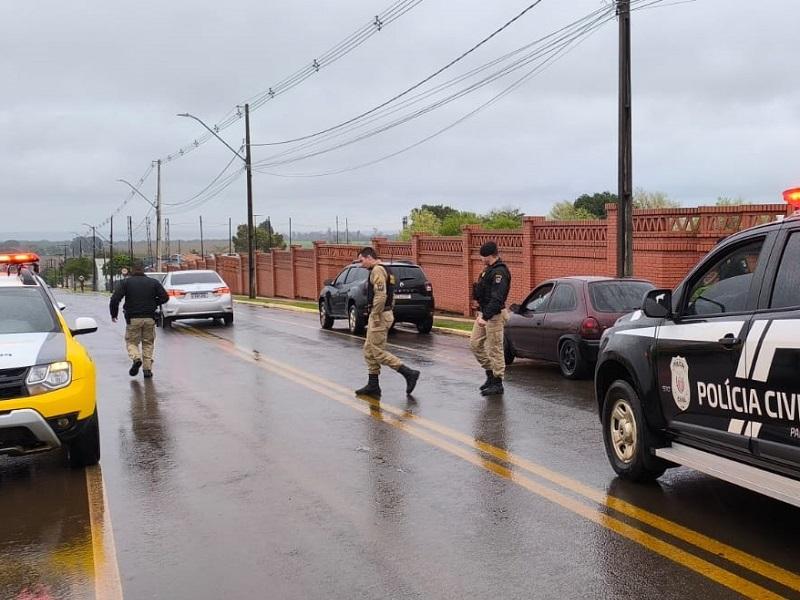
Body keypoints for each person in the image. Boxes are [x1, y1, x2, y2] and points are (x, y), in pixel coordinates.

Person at [354, 247, 421, 398]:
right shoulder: (386, 269)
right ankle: (373, 385)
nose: (361, 264)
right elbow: (392, 295)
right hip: (385, 313)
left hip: (379, 315)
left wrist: (376, 315)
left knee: (377, 351)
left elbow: (381, 295)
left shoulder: (377, 270)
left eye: (362, 260)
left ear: (369, 257)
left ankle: (408, 373)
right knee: (369, 350)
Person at [110, 260, 169, 378]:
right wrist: (153, 303)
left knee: (131, 342)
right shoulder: (153, 283)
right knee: (148, 343)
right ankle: (147, 369)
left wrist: (114, 314)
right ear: (143, 269)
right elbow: (165, 297)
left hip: (133, 319)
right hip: (149, 318)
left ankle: (136, 358)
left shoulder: (125, 283)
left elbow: (115, 299)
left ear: (132, 270)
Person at [470, 241, 511, 396]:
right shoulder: (487, 271)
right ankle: (490, 374)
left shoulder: (500, 272)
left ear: (489, 255)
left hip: (494, 316)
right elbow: (481, 289)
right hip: (484, 313)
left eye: (482, 256)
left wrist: (486, 317)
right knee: (475, 344)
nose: (481, 259)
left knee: (495, 349)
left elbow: (497, 298)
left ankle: (497, 382)